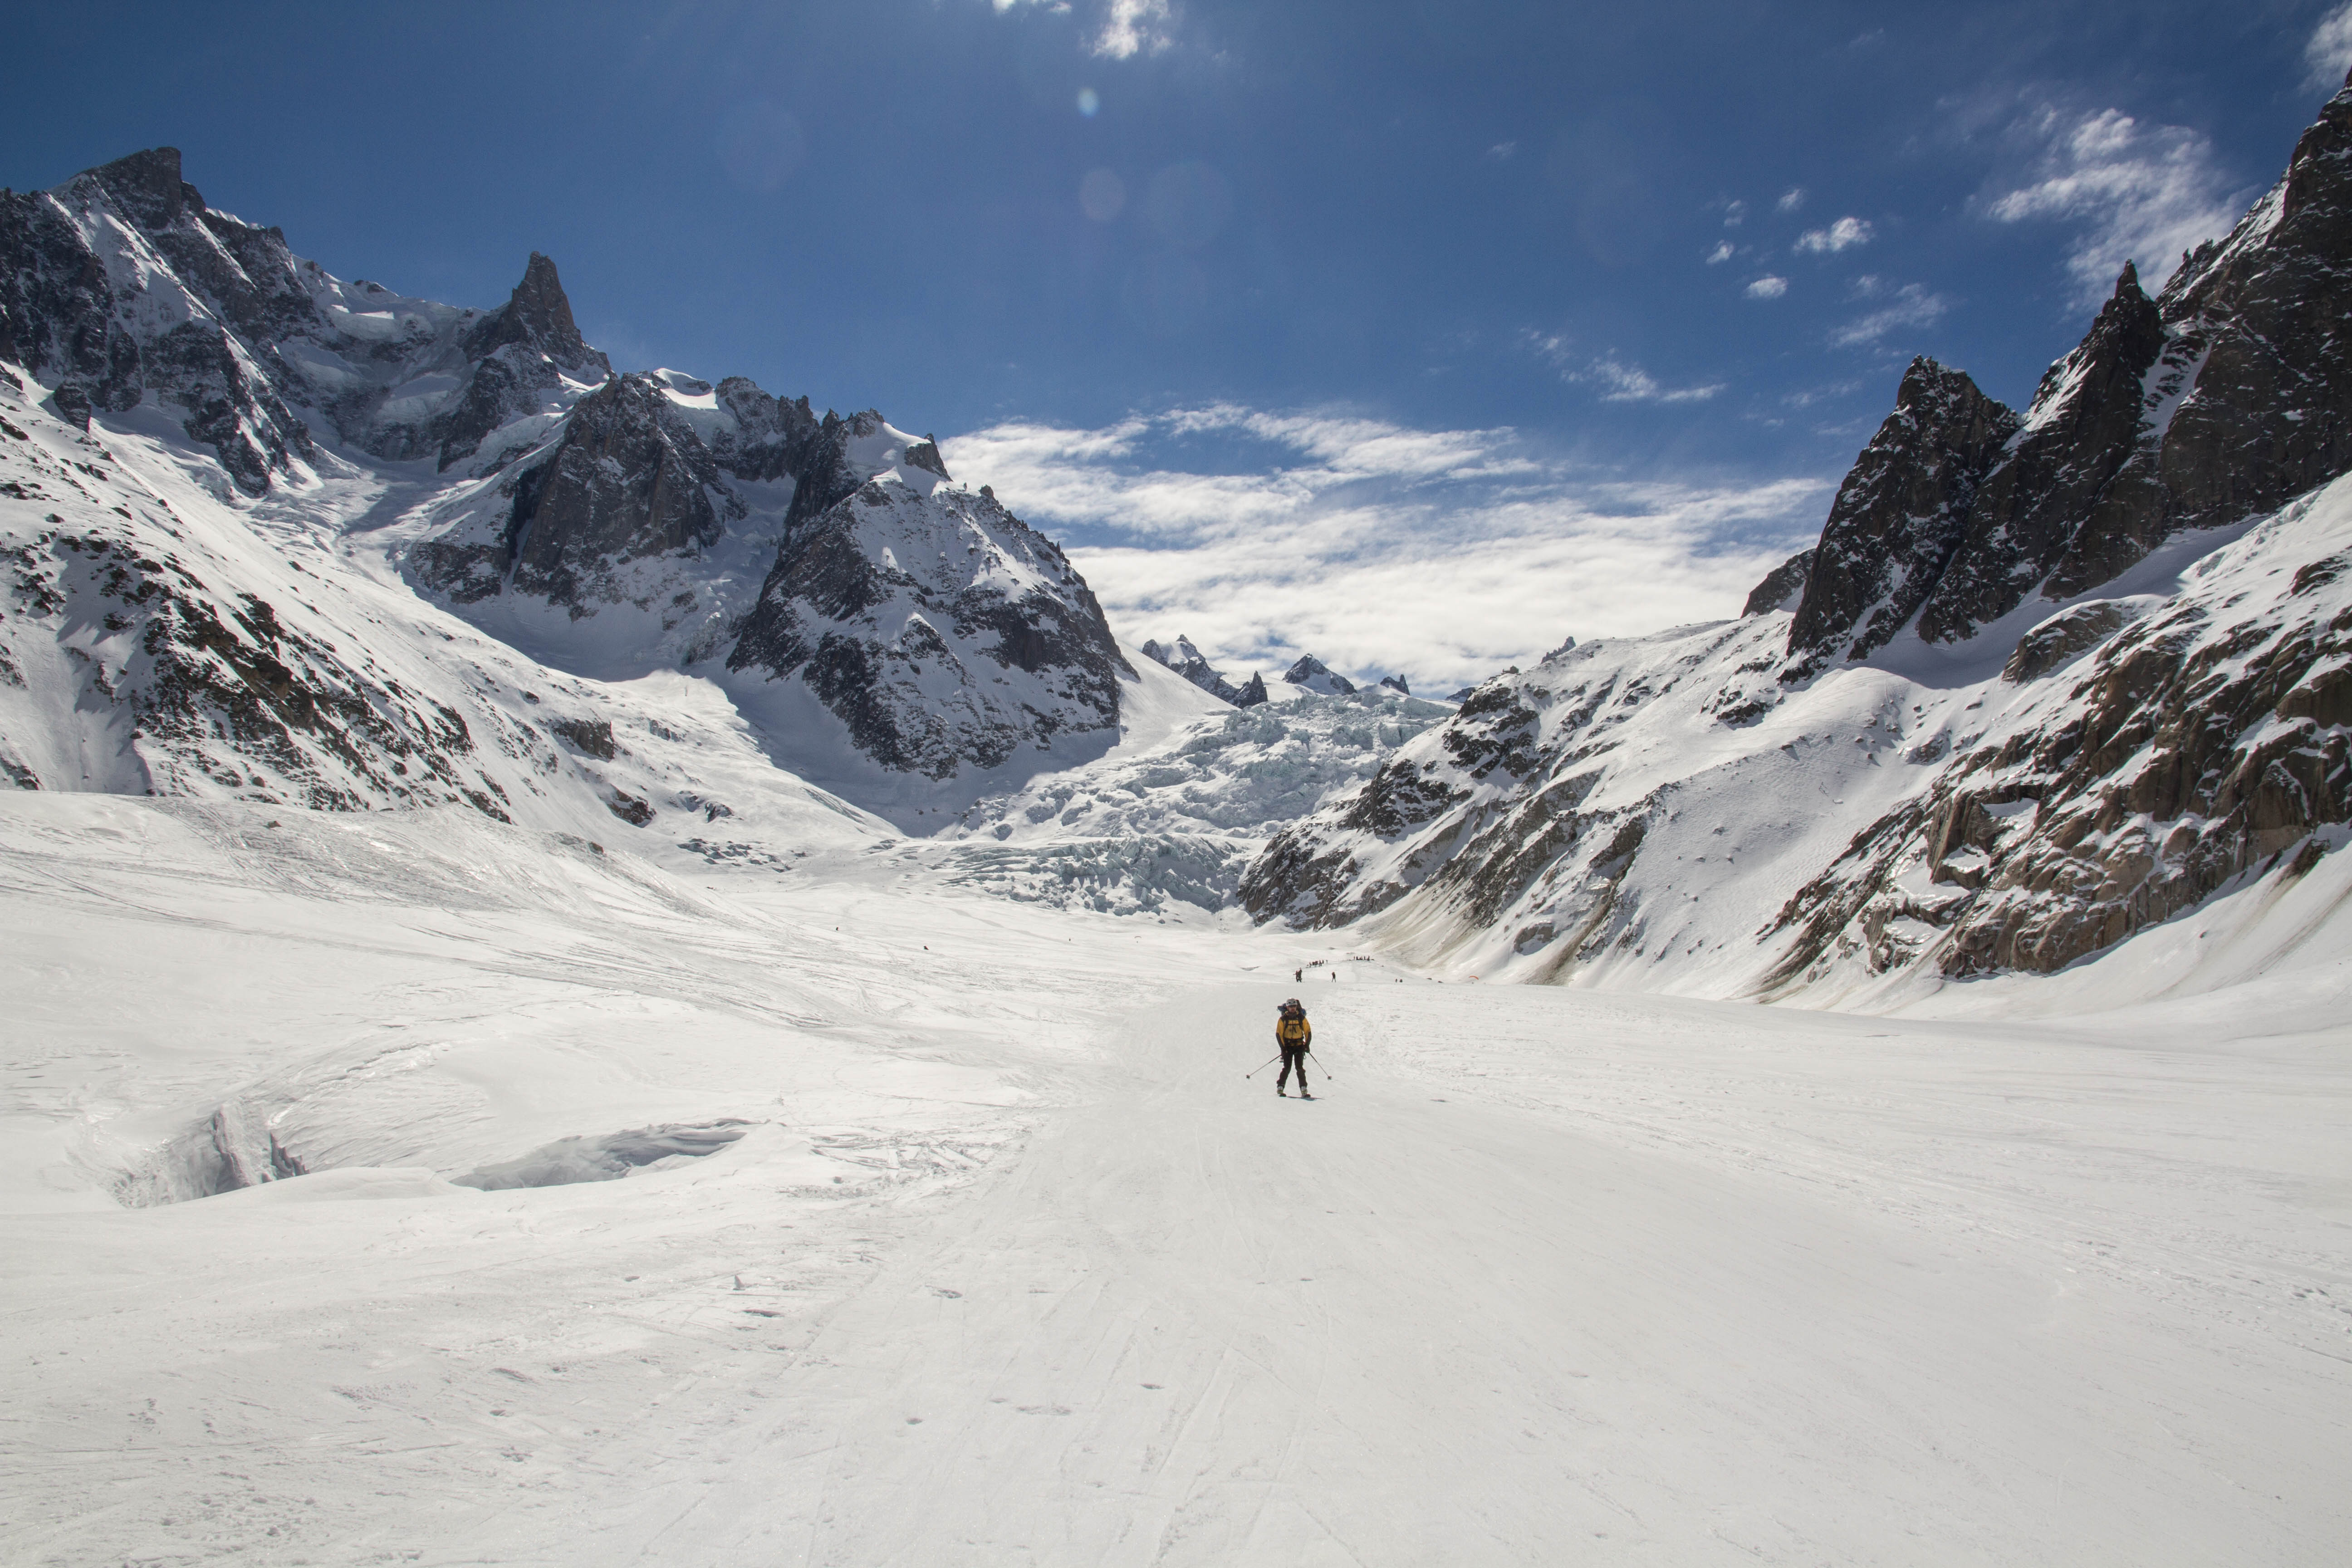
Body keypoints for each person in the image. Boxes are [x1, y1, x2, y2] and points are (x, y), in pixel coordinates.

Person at [1274, 998, 1313, 1098]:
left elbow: (1308, 1031)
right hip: (1288, 1047)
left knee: (1300, 1068)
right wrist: (1283, 1048)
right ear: (1287, 1007)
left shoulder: (1301, 1018)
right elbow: (1279, 1034)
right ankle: (1280, 1087)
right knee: (1287, 1068)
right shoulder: (1283, 1020)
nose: (1293, 1008)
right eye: (1291, 1007)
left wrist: (1307, 1045)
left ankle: (1303, 1088)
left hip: (1299, 1046)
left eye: (1294, 1006)